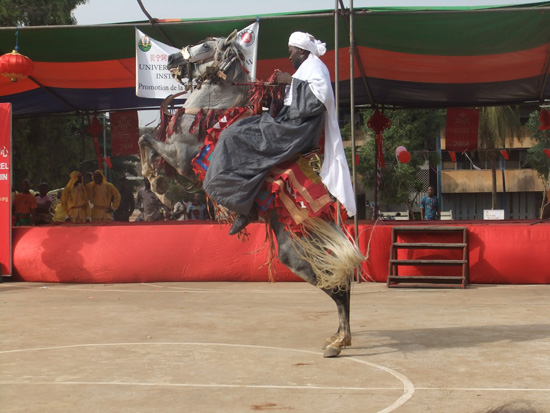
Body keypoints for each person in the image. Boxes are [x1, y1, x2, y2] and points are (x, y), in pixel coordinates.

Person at [203, 31, 356, 235]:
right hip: (286, 124)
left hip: (294, 132)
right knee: (237, 129)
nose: (289, 56)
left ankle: (242, 205)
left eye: (291, 52)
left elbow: (318, 101)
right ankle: (242, 200)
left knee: (232, 136)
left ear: (301, 51)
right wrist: (273, 92)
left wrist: (290, 82)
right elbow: (292, 104)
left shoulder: (316, 67)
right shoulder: (305, 69)